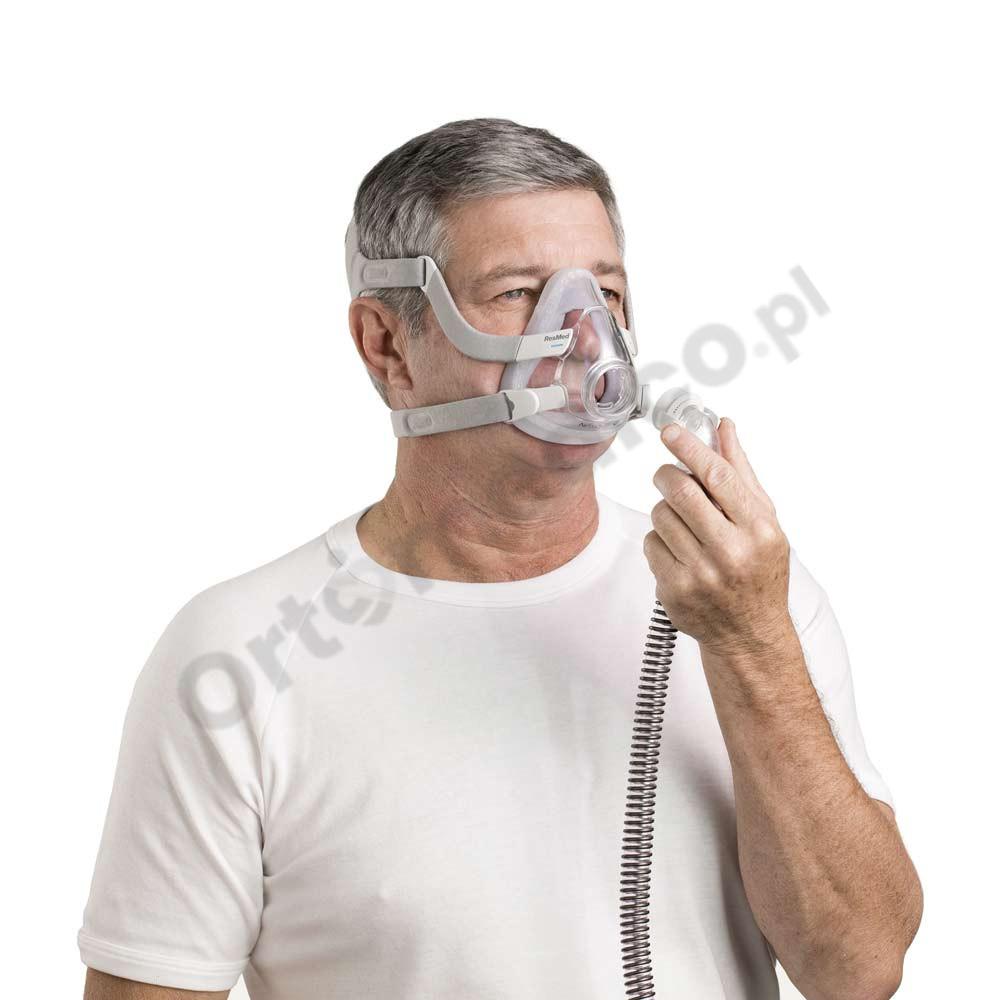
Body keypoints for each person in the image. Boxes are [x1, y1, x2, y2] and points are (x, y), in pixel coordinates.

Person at [79, 117, 922, 1000]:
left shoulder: (742, 599)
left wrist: (752, 642)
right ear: (388, 345)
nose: (586, 338)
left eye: (604, 292)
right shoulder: (242, 658)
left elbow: (859, 971)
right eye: (520, 293)